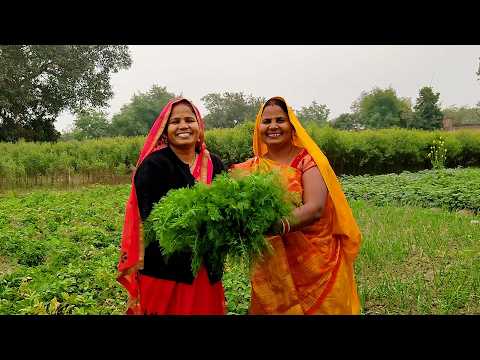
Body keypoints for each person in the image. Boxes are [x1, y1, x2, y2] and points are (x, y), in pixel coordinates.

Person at [232, 97, 362, 314]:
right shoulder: (252, 168)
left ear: (292, 125)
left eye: (280, 120)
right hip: (273, 267)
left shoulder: (308, 161)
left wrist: (275, 226)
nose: (273, 126)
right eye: (266, 121)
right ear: (258, 127)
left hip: (316, 263)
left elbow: (315, 208)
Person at [117, 97, 226, 315]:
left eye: (189, 119)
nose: (183, 126)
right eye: (175, 121)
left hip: (205, 270)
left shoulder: (213, 163)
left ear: (199, 125)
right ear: (165, 130)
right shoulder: (153, 165)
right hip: (164, 272)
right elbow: (153, 218)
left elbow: (226, 207)